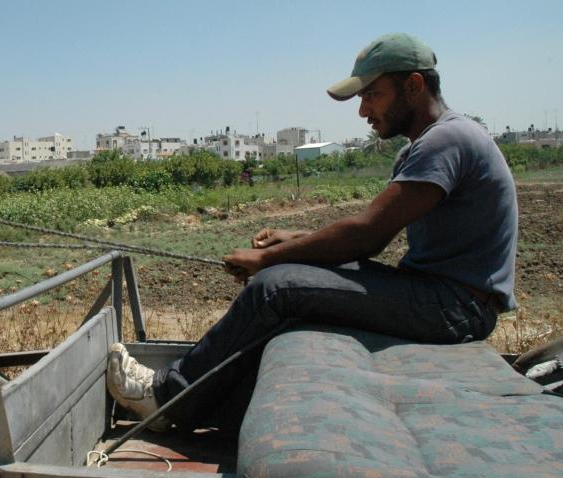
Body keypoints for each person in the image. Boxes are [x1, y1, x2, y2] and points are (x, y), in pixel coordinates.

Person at [107, 33, 518, 432]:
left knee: (275, 287)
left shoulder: (446, 140)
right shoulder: (425, 144)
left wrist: (268, 258)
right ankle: (211, 406)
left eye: (371, 95)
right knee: (287, 285)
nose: (363, 112)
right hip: (440, 295)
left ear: (413, 86)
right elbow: (373, 229)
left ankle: (165, 397)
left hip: (455, 306)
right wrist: (295, 240)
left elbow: (368, 235)